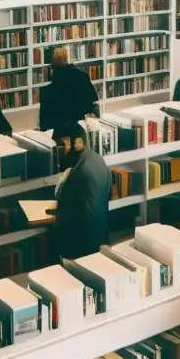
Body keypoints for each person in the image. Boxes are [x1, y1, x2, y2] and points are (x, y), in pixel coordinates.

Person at [48, 122, 111, 261]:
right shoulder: (97, 160)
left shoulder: (80, 174)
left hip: (81, 250)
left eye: (62, 146)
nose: (59, 152)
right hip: (100, 239)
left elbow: (65, 219)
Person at [39, 47, 100, 131]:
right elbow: (93, 102)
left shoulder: (48, 91)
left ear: (52, 66)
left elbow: (45, 125)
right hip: (82, 126)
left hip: (62, 131)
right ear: (67, 59)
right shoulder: (83, 76)